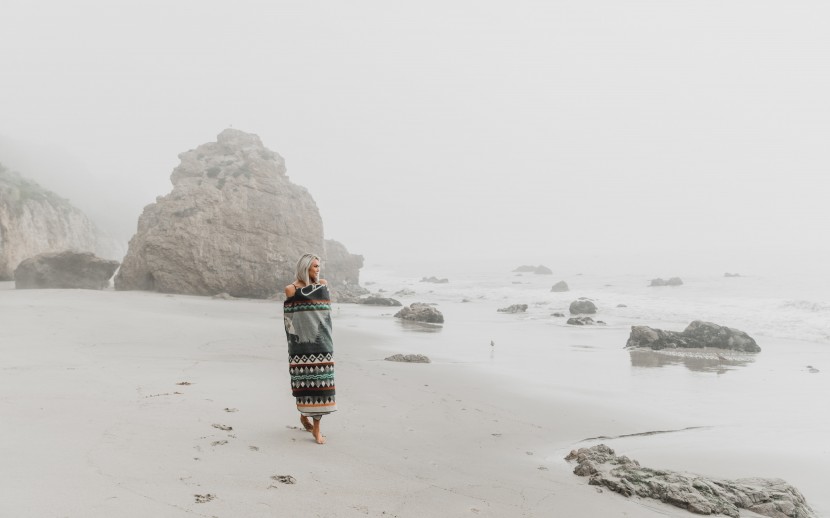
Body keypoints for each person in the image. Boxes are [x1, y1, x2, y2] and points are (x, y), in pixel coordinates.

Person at [283, 253, 336, 444]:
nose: (318, 269)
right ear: (305, 268)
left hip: (323, 342)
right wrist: (294, 342)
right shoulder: (291, 289)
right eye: (314, 266)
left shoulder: (322, 284)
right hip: (301, 344)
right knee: (304, 385)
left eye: (318, 266)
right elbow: (290, 318)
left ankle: (316, 429)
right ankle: (304, 415)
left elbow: (325, 313)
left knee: (321, 387)